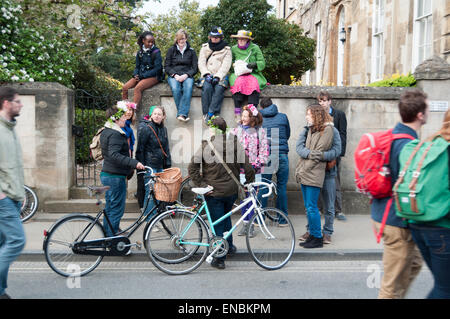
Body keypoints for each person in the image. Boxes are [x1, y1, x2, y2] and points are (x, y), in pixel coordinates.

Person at [371, 89, 428, 299]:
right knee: (391, 287)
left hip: (385, 214)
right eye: (427, 107)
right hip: (395, 220)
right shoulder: (408, 144)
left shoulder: (396, 135)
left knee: (414, 263)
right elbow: (411, 186)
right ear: (420, 115)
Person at [188, 116, 254, 269]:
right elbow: (249, 168)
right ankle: (229, 246)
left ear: (213, 129)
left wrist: (202, 184)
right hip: (231, 190)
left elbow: (192, 168)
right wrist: (247, 184)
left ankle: (219, 258)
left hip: (213, 191)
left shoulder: (206, 145)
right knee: (226, 217)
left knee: (217, 222)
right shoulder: (235, 143)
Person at [407, 109, 450, 299]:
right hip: (441, 228)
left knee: (444, 286)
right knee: (445, 289)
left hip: (418, 223)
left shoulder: (430, 143)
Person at [100, 102, 145, 237]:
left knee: (110, 207)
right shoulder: (115, 134)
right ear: (115, 119)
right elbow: (114, 155)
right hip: (115, 177)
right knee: (116, 209)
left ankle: (108, 233)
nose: (125, 119)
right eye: (122, 118)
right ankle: (112, 238)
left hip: (108, 174)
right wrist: (134, 163)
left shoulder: (106, 131)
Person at [297, 114, 341, 244]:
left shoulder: (332, 131)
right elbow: (299, 148)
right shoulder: (307, 129)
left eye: (310, 114)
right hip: (311, 170)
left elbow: (337, 150)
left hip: (328, 172)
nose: (307, 117)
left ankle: (327, 232)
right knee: (310, 205)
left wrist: (321, 156)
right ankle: (311, 230)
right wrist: (312, 155)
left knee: (328, 205)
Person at [0, 87, 26, 299]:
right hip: (3, 199)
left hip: (13, 197)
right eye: (18, 101)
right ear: (6, 103)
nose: (21, 104)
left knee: (2, 244)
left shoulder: (9, 128)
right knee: (17, 241)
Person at [230, 104, 269, 236]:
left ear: (253, 118)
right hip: (240, 170)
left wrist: (256, 165)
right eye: (243, 116)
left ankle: (251, 225)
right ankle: (245, 224)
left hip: (254, 171)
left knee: (251, 197)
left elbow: (264, 151)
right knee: (243, 198)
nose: (243, 118)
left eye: (246, 116)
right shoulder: (237, 130)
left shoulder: (260, 131)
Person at [257, 97, 291, 224]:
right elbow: (287, 134)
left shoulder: (259, 119)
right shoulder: (283, 117)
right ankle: (283, 220)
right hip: (281, 154)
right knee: (281, 187)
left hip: (267, 156)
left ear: (261, 107)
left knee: (264, 186)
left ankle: (259, 220)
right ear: (272, 105)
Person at [135, 105, 172, 219]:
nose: (156, 116)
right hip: (149, 166)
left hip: (160, 165)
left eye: (159, 114)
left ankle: (155, 217)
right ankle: (148, 218)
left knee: (159, 193)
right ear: (151, 115)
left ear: (163, 117)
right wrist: (142, 167)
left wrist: (168, 165)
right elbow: (140, 148)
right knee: (150, 194)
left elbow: (166, 148)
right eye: (154, 114)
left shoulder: (163, 129)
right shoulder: (146, 128)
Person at [317, 91, 347, 221]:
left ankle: (338, 210)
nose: (322, 103)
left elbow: (343, 134)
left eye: (324, 100)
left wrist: (339, 153)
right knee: (317, 181)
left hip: (334, 154)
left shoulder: (339, 115)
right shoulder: (317, 114)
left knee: (335, 182)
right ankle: (319, 209)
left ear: (330, 101)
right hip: (320, 153)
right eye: (320, 101)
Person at [229, 30, 267, 123]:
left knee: (253, 84)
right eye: (239, 39)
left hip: (252, 73)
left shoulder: (255, 48)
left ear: (247, 40)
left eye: (243, 39)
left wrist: (254, 64)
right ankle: (237, 112)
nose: (241, 41)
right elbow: (229, 62)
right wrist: (235, 65)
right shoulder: (233, 49)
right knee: (237, 83)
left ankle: (252, 113)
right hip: (239, 73)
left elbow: (262, 62)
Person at [198, 26, 232, 123]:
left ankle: (212, 113)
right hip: (207, 74)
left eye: (217, 37)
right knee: (207, 88)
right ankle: (205, 113)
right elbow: (201, 62)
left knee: (219, 89)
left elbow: (226, 65)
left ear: (221, 37)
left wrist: (218, 76)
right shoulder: (204, 48)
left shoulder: (227, 49)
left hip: (220, 75)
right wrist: (206, 74)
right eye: (213, 37)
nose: (215, 39)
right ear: (210, 37)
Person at [122, 31, 163, 108]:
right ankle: (124, 108)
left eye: (152, 42)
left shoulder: (156, 52)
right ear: (143, 41)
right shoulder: (139, 52)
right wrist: (135, 75)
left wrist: (142, 76)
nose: (151, 44)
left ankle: (133, 111)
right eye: (149, 42)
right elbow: (137, 66)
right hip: (141, 75)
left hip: (154, 76)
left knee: (137, 89)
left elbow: (158, 69)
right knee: (125, 87)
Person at [165, 29, 198, 122]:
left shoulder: (191, 51)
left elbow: (195, 68)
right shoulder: (171, 50)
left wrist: (186, 75)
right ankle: (183, 113)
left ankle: (181, 114)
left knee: (188, 87)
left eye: (183, 39)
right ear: (176, 39)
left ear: (186, 39)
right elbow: (167, 66)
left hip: (187, 75)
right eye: (179, 39)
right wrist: (175, 75)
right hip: (174, 75)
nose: (181, 41)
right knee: (176, 88)